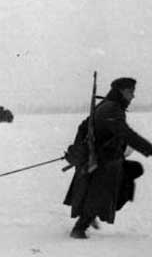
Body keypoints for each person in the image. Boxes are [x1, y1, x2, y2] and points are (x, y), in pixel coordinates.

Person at [64, 77, 152, 239]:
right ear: (121, 92)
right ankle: (79, 229)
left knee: (131, 173)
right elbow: (125, 133)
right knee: (100, 193)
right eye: (130, 92)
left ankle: (89, 217)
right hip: (104, 161)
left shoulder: (106, 105)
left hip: (106, 158)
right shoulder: (111, 108)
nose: (133, 96)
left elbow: (84, 125)